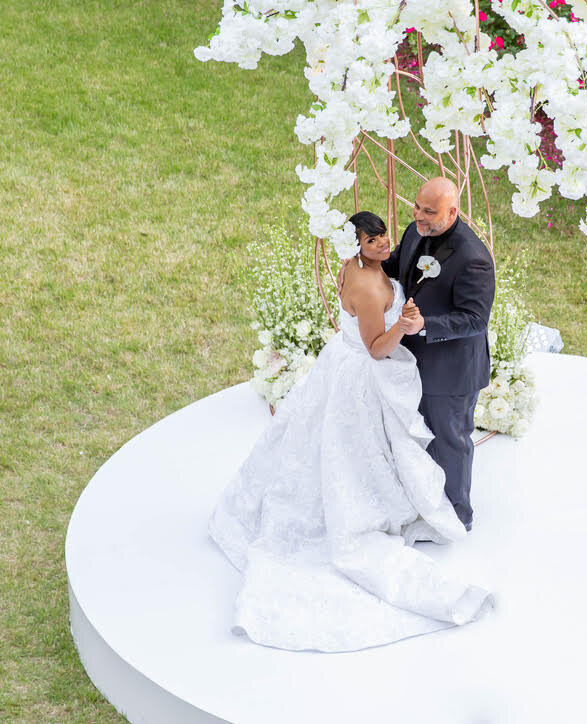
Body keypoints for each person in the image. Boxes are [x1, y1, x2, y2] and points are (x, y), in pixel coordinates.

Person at [209, 211, 492, 653]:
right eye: (374, 240)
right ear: (356, 244)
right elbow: (377, 350)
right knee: (357, 452)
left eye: (384, 236)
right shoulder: (363, 284)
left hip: (349, 363)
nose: (385, 245)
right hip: (362, 375)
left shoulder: (366, 266)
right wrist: (403, 324)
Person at [382, 177, 496, 531]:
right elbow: (399, 265)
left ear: (453, 211)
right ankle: (426, 503)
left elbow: (475, 319)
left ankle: (458, 517)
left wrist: (425, 325)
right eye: (417, 206)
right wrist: (364, 264)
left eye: (429, 211)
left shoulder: (473, 258)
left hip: (451, 370)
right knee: (420, 437)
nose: (418, 215)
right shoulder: (417, 229)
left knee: (450, 441)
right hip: (413, 361)